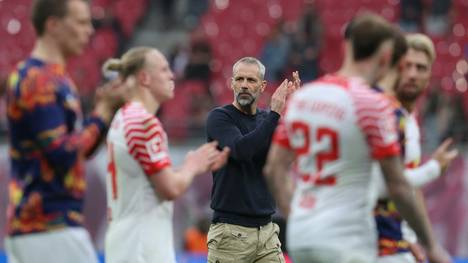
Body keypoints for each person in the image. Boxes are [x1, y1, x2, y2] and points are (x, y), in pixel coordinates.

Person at [263, 13, 450, 263]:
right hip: (348, 239)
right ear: (386, 58)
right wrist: (431, 246)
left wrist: (296, 217)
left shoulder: (304, 97)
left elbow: (274, 170)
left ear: (346, 46)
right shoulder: (372, 105)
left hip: (301, 236)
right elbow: (395, 185)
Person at [4, 0, 126, 262]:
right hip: (46, 226)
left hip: (51, 225)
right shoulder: (35, 79)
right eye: (81, 22)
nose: (90, 31)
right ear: (53, 25)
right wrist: (101, 112)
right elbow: (63, 153)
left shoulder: (58, 78)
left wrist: (104, 113)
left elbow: (79, 152)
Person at [102, 47, 229, 263]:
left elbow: (147, 184)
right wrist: (191, 166)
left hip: (125, 242)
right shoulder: (144, 122)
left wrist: (196, 163)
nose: (172, 75)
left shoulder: (123, 118)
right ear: (144, 78)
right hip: (143, 246)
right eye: (164, 69)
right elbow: (170, 188)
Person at [205, 56, 300, 263]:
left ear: (262, 85)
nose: (244, 85)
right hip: (230, 234)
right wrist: (276, 114)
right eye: (239, 79)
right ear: (231, 83)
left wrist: (297, 111)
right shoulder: (220, 118)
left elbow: (286, 159)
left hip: (266, 232)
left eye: (251, 80)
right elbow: (241, 150)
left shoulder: (268, 120)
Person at [375, 33, 458, 263]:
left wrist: (422, 241)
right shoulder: (382, 114)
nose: (412, 74)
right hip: (374, 244)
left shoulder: (409, 120)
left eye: (420, 68)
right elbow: (387, 184)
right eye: (407, 66)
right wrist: (433, 168)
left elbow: (411, 190)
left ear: (430, 74)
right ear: (396, 68)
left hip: (398, 241)